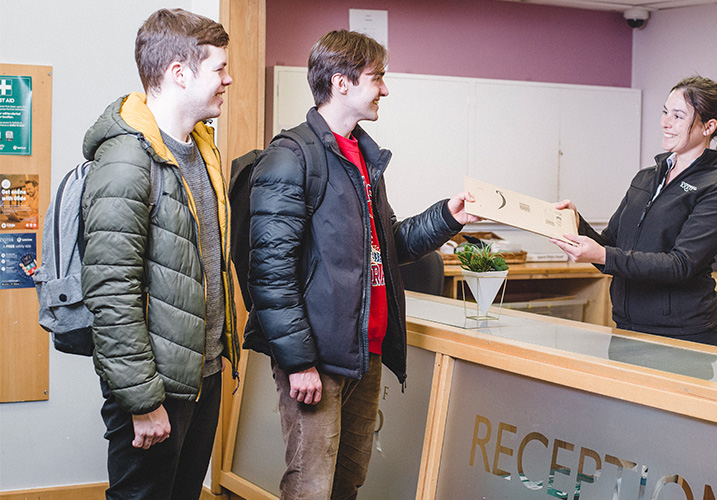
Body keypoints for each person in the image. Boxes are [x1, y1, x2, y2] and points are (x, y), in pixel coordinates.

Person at [246, 30, 478, 499]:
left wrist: (448, 217)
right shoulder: (291, 157)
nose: (385, 90)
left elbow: (389, 247)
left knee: (347, 484)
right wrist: (298, 362)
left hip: (362, 353)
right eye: (378, 78)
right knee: (310, 487)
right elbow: (271, 274)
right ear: (342, 82)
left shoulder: (361, 156)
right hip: (317, 359)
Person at [80, 8, 239, 500]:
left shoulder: (200, 148)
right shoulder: (126, 160)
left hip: (202, 374)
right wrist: (142, 401)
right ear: (178, 72)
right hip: (155, 386)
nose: (228, 79)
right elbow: (111, 291)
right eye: (218, 69)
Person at [551, 76, 717, 347]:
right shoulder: (645, 178)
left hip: (683, 337)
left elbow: (680, 265)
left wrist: (603, 254)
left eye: (678, 116)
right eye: (665, 112)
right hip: (627, 329)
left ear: (708, 126)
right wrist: (575, 223)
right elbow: (611, 247)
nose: (666, 122)